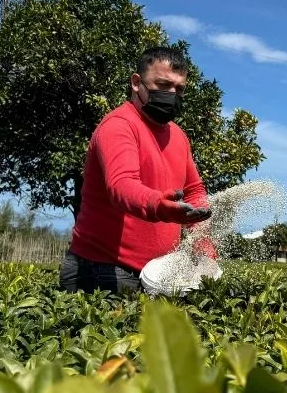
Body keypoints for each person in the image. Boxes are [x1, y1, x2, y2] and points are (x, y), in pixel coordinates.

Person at [59, 46, 215, 294]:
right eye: (163, 85)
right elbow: (121, 185)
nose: (172, 94)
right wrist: (158, 206)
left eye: (179, 89)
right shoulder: (119, 126)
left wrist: (203, 243)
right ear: (136, 83)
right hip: (105, 269)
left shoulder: (178, 136)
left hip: (156, 273)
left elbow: (194, 191)